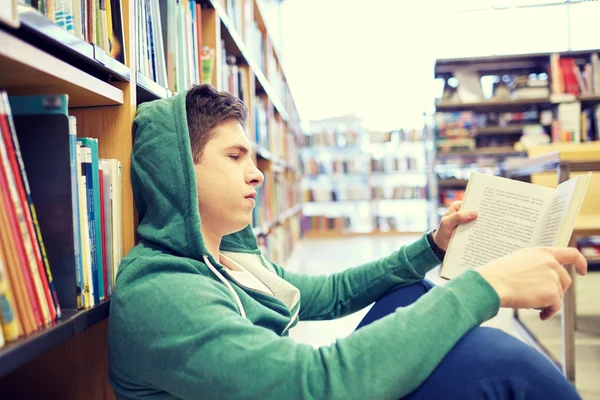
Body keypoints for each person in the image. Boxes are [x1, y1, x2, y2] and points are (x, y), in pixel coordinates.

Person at [108, 84, 587, 400]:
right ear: (178, 176)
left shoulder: (227, 259)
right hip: (307, 388)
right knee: (501, 366)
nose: (256, 173)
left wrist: (433, 247)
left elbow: (332, 294)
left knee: (409, 296)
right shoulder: (161, 292)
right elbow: (312, 383)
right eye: (234, 156)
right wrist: (486, 285)